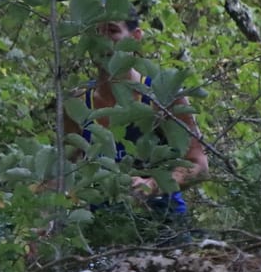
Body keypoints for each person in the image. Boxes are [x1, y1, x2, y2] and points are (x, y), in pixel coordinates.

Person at [62, 12, 208, 222]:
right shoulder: (76, 103)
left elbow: (199, 165)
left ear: (135, 37)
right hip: (105, 231)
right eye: (95, 32)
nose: (102, 39)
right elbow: (59, 173)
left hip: (165, 230)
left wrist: (153, 185)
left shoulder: (162, 95)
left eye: (112, 30)